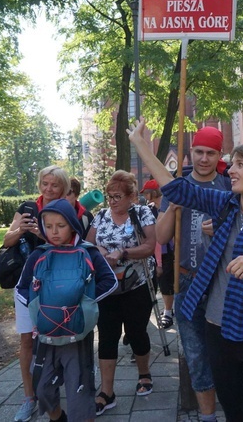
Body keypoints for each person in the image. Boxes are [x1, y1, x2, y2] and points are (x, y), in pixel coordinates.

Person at [129, 118, 243, 422]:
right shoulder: (224, 204)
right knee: (234, 413)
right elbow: (177, 189)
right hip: (216, 329)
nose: (230, 170)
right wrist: (141, 145)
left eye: (239, 165)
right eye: (231, 163)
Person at [15, 199, 117, 422]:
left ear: (71, 224)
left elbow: (110, 281)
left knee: (79, 392)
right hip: (45, 337)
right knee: (42, 389)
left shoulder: (87, 252)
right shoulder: (38, 254)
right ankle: (57, 417)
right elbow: (22, 287)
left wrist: (84, 306)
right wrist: (37, 310)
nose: (54, 232)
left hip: (77, 337)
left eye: (60, 226)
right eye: (48, 226)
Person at [154, 127, 229, 421]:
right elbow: (160, 238)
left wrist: (223, 225)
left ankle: (233, 405)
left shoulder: (228, 186)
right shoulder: (177, 186)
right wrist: (173, 205)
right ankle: (207, 416)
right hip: (186, 280)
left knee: (226, 351)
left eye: (211, 153)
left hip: (222, 281)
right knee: (196, 354)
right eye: (199, 152)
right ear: (191, 153)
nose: (204, 158)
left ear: (219, 155)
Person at [2, 165, 71, 422]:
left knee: (58, 338)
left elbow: (70, 246)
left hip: (58, 282)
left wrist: (42, 234)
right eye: (45, 183)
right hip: (27, 283)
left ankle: (59, 390)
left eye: (54, 185)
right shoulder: (28, 208)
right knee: (26, 341)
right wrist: (21, 230)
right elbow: (7, 241)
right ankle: (29, 397)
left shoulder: (67, 209)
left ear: (63, 187)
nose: (49, 189)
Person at [86, 170, 157, 416]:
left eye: (117, 196)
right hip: (108, 286)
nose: (112, 201)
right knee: (107, 335)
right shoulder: (101, 216)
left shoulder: (142, 213)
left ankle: (144, 373)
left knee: (136, 331)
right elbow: (88, 244)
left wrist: (123, 253)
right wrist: (101, 250)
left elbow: (149, 246)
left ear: (131, 197)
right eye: (109, 196)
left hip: (137, 283)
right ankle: (107, 392)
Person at [140, 179, 174, 328]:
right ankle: (168, 311)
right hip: (158, 251)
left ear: (153, 193)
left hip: (171, 250)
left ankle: (169, 311)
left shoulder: (168, 207)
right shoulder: (150, 209)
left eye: (146, 193)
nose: (145, 196)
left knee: (169, 282)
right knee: (163, 282)